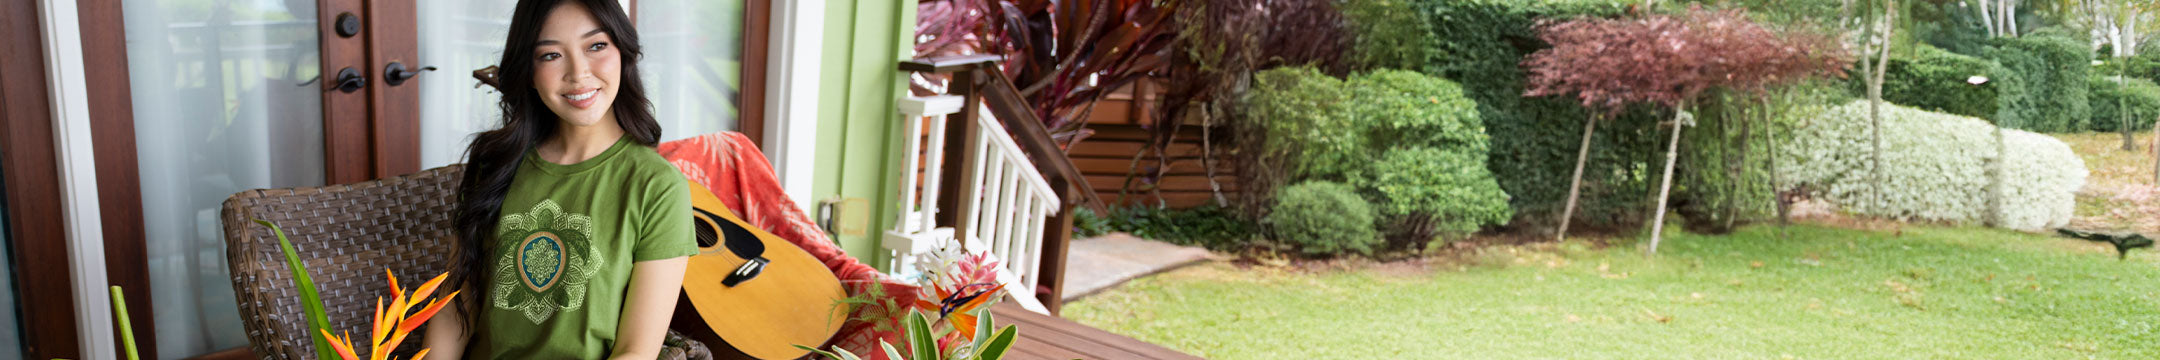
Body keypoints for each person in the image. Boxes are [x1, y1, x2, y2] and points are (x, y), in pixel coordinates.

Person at [423, 0, 694, 358]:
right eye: (551, 55)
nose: (578, 73)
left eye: (596, 46)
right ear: (529, 71)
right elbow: (454, 310)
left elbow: (635, 352)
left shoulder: (656, 187)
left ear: (623, 53)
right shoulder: (495, 164)